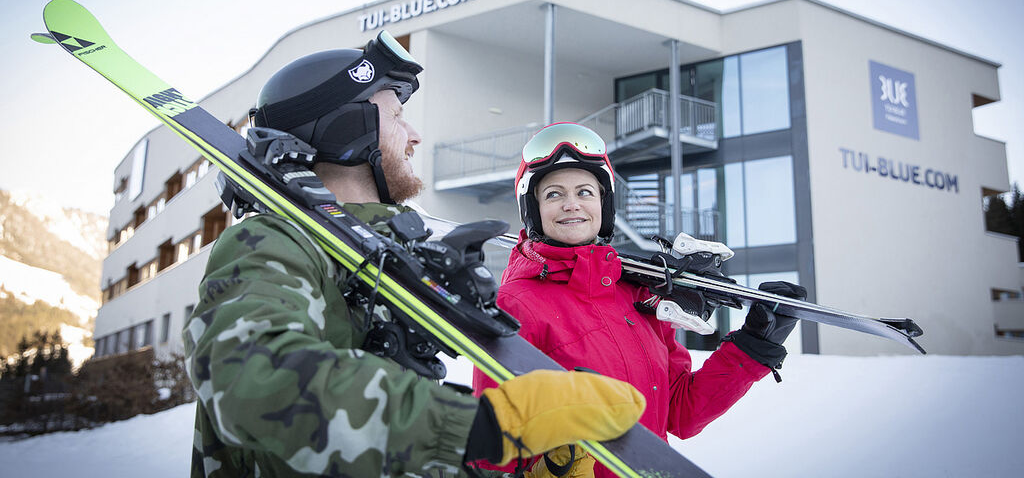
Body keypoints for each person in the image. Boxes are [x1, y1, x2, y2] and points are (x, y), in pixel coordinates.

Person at [183, 35, 646, 478]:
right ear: (351, 127)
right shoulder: (275, 241)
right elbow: (250, 377)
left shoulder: (374, 251)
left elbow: (382, 445)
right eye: (398, 115)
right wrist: (483, 427)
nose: (415, 135)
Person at [472, 122, 807, 478]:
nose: (572, 205)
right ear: (534, 207)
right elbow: (490, 452)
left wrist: (753, 347)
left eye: (585, 191)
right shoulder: (515, 304)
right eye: (553, 194)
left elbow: (680, 411)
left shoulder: (636, 298)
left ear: (604, 203)